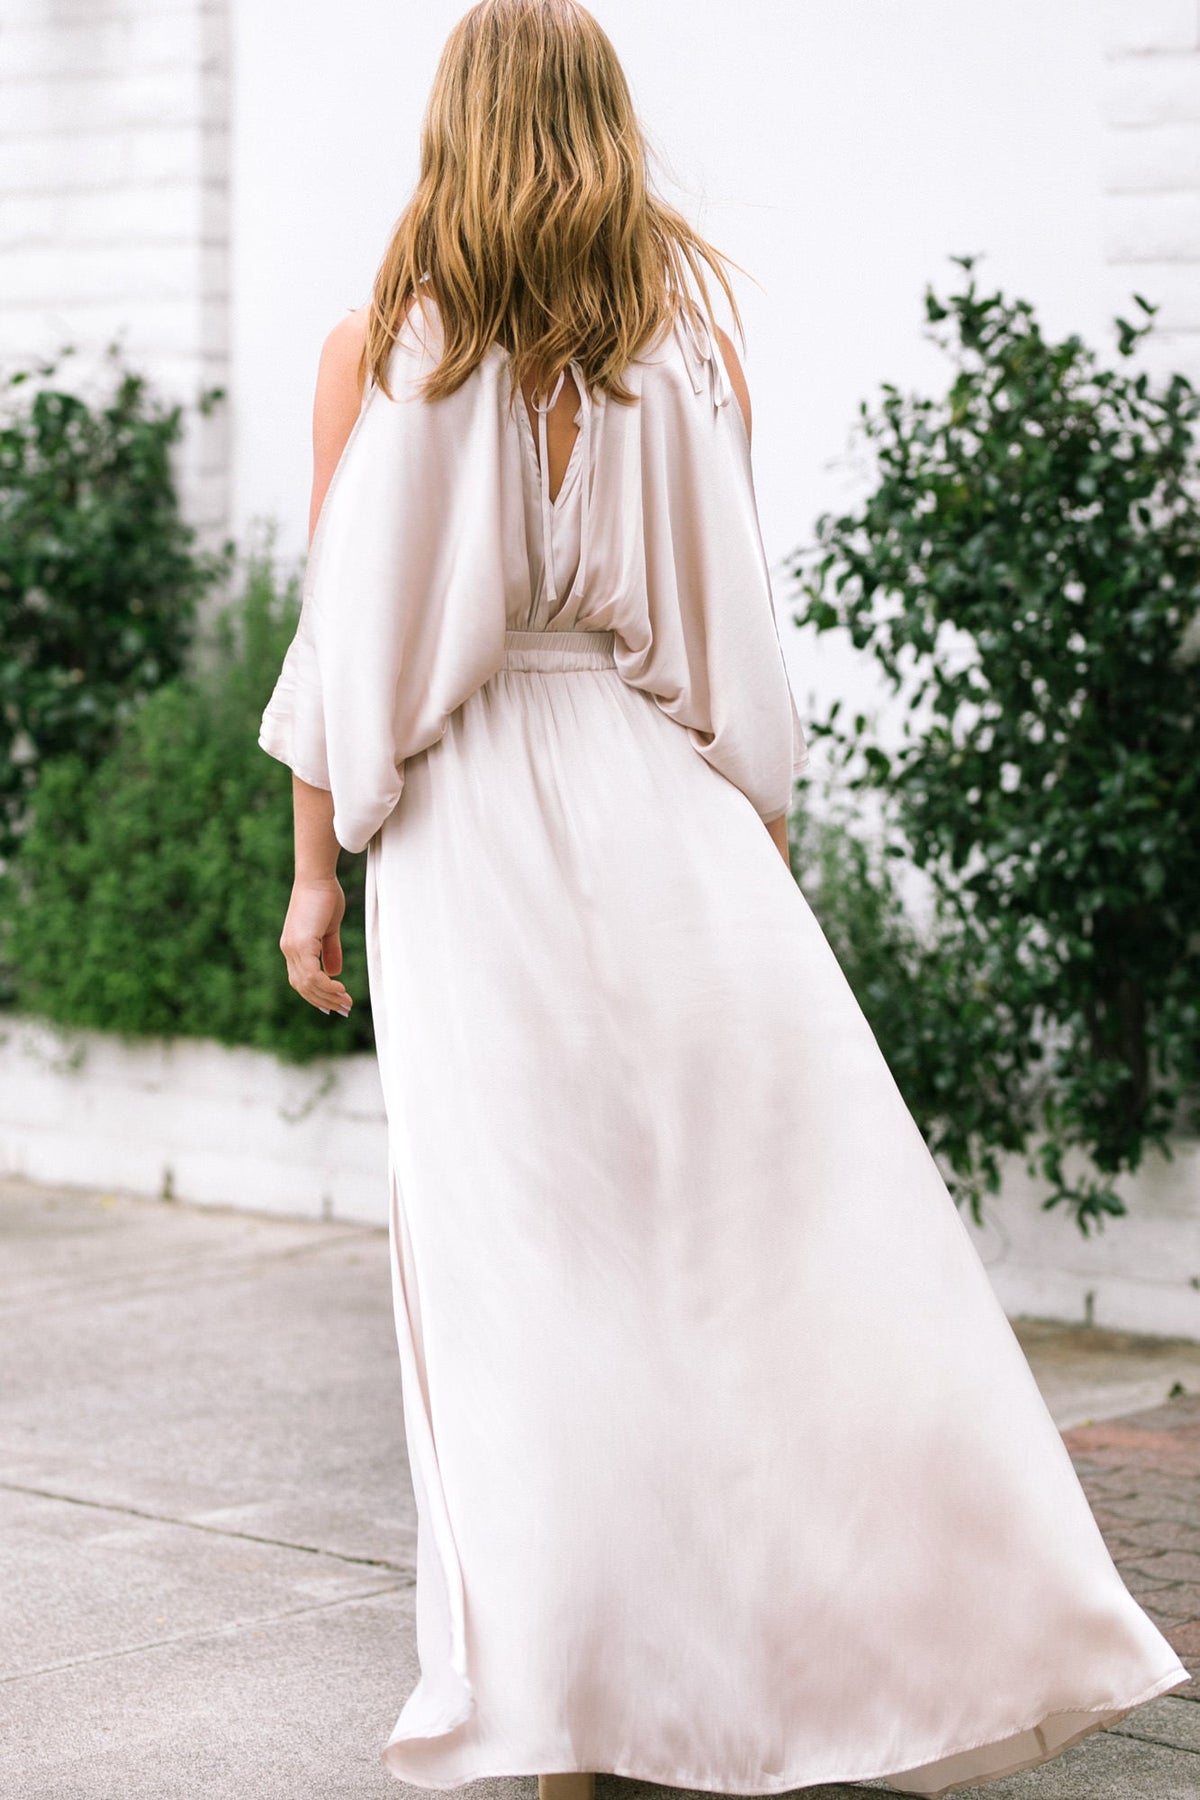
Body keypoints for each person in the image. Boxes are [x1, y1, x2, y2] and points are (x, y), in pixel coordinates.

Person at [258, 3, 1189, 1795]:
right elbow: (736, 649)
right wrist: (756, 846)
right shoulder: (689, 350)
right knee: (721, 1254)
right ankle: (777, 1672)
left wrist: (315, 873)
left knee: (518, 1277)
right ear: (605, 127)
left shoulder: (380, 351)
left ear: (455, 127)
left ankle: (566, 1717)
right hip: (662, 808)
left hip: (466, 828)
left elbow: (344, 646)